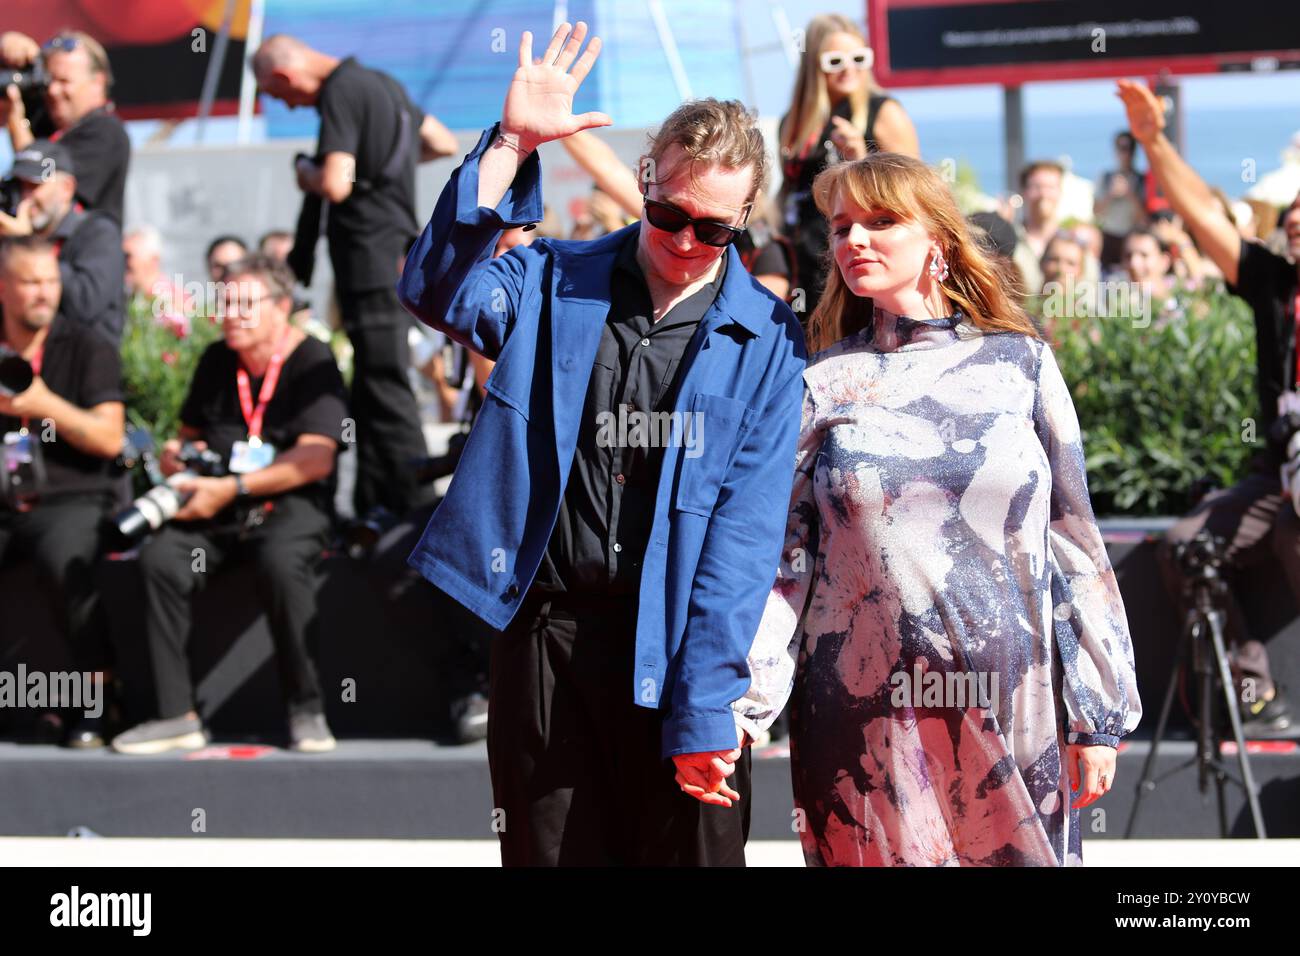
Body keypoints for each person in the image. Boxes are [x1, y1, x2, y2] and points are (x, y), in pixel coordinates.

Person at [397, 22, 807, 865]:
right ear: (645, 182)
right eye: (669, 214)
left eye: (715, 231)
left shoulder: (769, 337)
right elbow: (433, 287)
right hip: (544, 636)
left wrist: (703, 713)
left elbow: (743, 539)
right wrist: (510, 145)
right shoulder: (552, 277)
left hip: (684, 648)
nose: (688, 242)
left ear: (745, 220)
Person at [735, 151, 1141, 866]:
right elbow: (784, 565)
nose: (854, 241)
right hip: (863, 722)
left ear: (938, 244)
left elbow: (1074, 543)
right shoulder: (823, 384)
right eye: (840, 228)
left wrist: (1098, 714)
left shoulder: (1021, 365)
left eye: (882, 221)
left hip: (1018, 705)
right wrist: (746, 702)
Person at [110, 255, 349, 754]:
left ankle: (305, 708)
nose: (230, 314)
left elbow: (316, 459)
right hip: (217, 506)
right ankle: (176, 714)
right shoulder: (217, 360)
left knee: (282, 562)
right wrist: (177, 456)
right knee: (160, 558)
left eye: (244, 303)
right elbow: (191, 435)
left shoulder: (313, 361)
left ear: (282, 308)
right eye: (225, 303)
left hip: (288, 503)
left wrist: (236, 488)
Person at [1119, 78, 1299, 734]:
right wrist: (1154, 142)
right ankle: (1253, 692)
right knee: (1186, 546)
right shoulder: (1274, 287)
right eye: (1292, 211)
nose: (1298, 217)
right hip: (1281, 478)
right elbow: (1204, 217)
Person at [253, 34, 458, 523]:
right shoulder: (384, 85)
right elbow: (443, 141)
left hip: (369, 256)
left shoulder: (341, 91)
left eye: (281, 95)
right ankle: (377, 503)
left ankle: (413, 509)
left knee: (383, 382)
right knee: (373, 380)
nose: (289, 104)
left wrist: (306, 170)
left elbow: (335, 184)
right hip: (394, 253)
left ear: (286, 75)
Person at [0, 236, 124, 747]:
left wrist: (43, 403)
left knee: (64, 558)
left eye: (51, 280)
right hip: (4, 501)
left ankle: (99, 699)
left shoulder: (86, 344)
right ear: (3, 287)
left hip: (71, 497)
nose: (44, 293)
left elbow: (110, 437)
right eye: (31, 281)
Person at [778, 14, 919, 323]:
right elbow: (788, 192)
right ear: (814, 65)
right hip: (802, 264)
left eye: (858, 58)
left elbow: (916, 195)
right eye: (835, 61)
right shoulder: (794, 121)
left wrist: (860, 158)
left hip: (859, 264)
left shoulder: (883, 112)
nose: (848, 68)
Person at [0, 141, 125, 345]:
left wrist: (29, 244)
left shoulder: (98, 233)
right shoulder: (11, 239)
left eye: (34, 185)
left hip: (81, 367)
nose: (25, 197)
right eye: (19, 186)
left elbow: (84, 304)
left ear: (67, 188)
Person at [0, 30, 131, 224]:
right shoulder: (48, 121)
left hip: (80, 253)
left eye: (64, 81)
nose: (53, 91)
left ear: (97, 82)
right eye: (49, 80)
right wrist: (10, 47)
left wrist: (15, 120)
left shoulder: (105, 131)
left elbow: (42, 185)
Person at [1012, 160, 1066, 296]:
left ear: (1060, 192)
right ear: (1023, 191)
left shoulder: (1074, 244)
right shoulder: (1007, 241)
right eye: (1036, 187)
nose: (1043, 194)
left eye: (1050, 187)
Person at [1095, 131, 1146, 270]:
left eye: (1129, 148)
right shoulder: (1105, 178)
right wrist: (1111, 195)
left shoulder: (1142, 180)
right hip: (1109, 240)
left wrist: (1130, 194)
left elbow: (1144, 219)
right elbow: (1096, 213)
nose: (1125, 153)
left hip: (1132, 239)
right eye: (1121, 148)